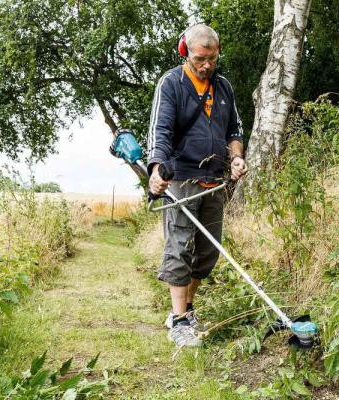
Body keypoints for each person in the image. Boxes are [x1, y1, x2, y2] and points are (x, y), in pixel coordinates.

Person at [147, 24, 248, 348]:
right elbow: (160, 132)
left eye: (212, 59)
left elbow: (235, 130)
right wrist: (156, 169)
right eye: (200, 58)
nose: (206, 65)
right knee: (179, 248)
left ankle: (187, 310)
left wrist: (235, 159)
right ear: (184, 52)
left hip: (215, 181)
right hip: (180, 180)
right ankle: (178, 321)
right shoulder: (172, 84)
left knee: (206, 253)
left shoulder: (224, 88)